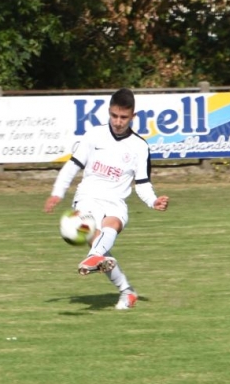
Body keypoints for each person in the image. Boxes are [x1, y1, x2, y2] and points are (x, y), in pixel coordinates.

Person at [43, 88, 169, 310]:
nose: (118, 122)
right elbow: (72, 166)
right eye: (114, 116)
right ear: (109, 112)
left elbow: (142, 183)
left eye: (124, 117)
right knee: (98, 242)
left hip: (116, 202)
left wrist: (153, 201)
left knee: (112, 225)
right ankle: (107, 269)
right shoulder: (94, 135)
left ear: (133, 116)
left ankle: (121, 285)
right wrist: (57, 192)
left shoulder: (140, 146)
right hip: (87, 198)